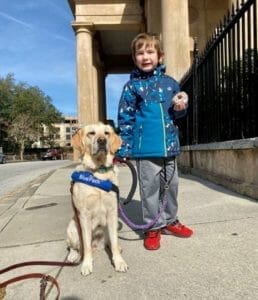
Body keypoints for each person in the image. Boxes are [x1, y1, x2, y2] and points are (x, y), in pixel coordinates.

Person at [117, 33, 193, 250]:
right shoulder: (132, 87)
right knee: (149, 189)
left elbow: (178, 115)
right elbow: (126, 118)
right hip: (145, 150)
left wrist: (181, 106)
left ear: (160, 56)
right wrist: (125, 147)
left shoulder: (170, 84)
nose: (145, 56)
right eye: (140, 53)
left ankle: (170, 220)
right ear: (135, 58)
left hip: (169, 146)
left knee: (172, 187)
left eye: (150, 52)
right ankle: (153, 225)